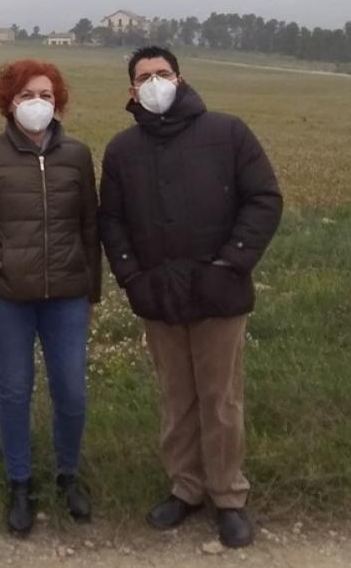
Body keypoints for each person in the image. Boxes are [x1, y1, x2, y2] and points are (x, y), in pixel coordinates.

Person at [99, 46, 282, 549]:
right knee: (177, 399)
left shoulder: (228, 133)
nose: (155, 82)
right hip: (158, 296)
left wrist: (231, 262)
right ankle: (186, 488)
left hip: (219, 293)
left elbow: (263, 199)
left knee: (220, 400)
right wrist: (132, 278)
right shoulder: (121, 150)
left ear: (180, 78)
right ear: (132, 91)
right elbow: (110, 221)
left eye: (162, 73)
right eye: (144, 77)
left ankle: (228, 497)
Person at [0, 60, 100, 537]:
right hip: (6, 296)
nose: (39, 104)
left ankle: (68, 476)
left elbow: (89, 225)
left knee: (71, 390)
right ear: (9, 101)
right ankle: (19, 484)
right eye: (29, 95)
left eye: (48, 96)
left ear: (59, 102)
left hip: (67, 295)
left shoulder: (77, 154)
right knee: (15, 389)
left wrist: (92, 285)